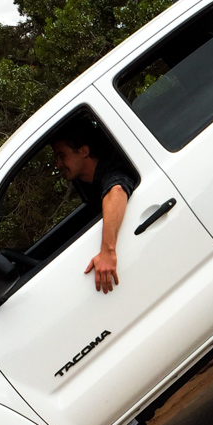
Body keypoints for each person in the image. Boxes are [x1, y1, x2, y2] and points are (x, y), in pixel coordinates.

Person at [50, 120, 138, 294]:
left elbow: (117, 189)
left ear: (84, 151)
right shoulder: (87, 184)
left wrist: (107, 252)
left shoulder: (111, 170)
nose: (58, 165)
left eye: (62, 156)